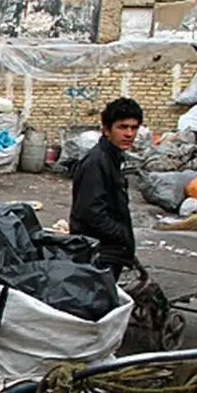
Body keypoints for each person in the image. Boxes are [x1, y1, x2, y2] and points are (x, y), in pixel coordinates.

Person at [70, 97, 143, 280]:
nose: (129, 134)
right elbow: (90, 212)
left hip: (108, 251)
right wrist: (122, 236)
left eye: (133, 128)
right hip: (97, 254)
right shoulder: (97, 162)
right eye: (122, 127)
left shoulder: (113, 158)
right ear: (106, 130)